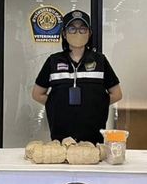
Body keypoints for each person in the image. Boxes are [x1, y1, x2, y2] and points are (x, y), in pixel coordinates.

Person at [32, 10, 122, 144]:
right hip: (61, 137)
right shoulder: (53, 61)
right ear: (64, 33)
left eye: (82, 29)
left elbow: (117, 93)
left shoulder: (100, 61)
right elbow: (37, 94)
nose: (77, 33)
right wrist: (57, 104)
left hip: (93, 137)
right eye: (72, 29)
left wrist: (96, 104)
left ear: (89, 33)